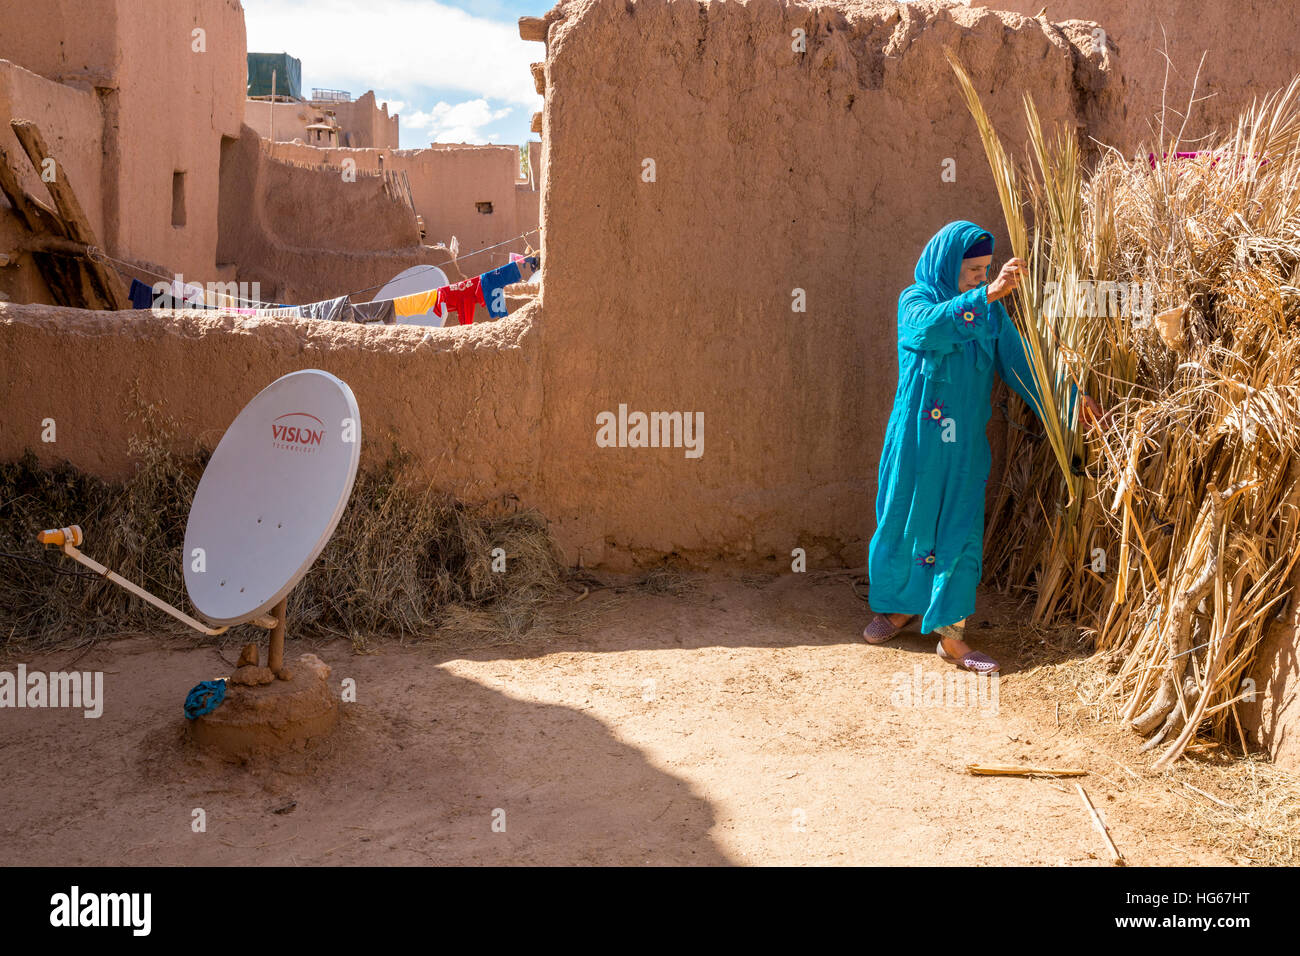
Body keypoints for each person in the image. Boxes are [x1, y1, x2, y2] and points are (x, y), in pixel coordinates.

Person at [861, 220, 1104, 674]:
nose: (979, 276)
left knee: (959, 531)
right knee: (904, 520)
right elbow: (928, 331)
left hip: (963, 452)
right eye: (972, 269)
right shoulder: (915, 301)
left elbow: (1022, 366)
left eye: (985, 269)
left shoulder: (991, 315)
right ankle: (901, 607)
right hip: (915, 446)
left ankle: (951, 638)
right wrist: (986, 294)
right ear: (948, 264)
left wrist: (1072, 401)